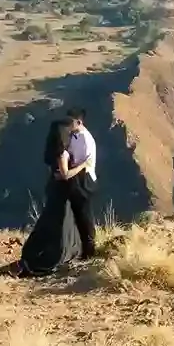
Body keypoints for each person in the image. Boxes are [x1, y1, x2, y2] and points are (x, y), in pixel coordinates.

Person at [16, 119, 84, 276]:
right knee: (59, 223)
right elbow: (65, 174)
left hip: (55, 189)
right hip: (60, 190)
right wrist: (82, 166)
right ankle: (50, 258)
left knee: (52, 221)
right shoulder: (62, 152)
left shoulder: (54, 150)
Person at [63, 108, 98, 259]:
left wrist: (68, 171)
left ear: (79, 122)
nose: (68, 124)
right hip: (76, 178)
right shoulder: (74, 136)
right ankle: (79, 248)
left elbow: (84, 163)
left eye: (70, 121)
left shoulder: (85, 139)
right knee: (77, 215)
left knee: (84, 216)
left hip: (85, 179)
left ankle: (90, 250)